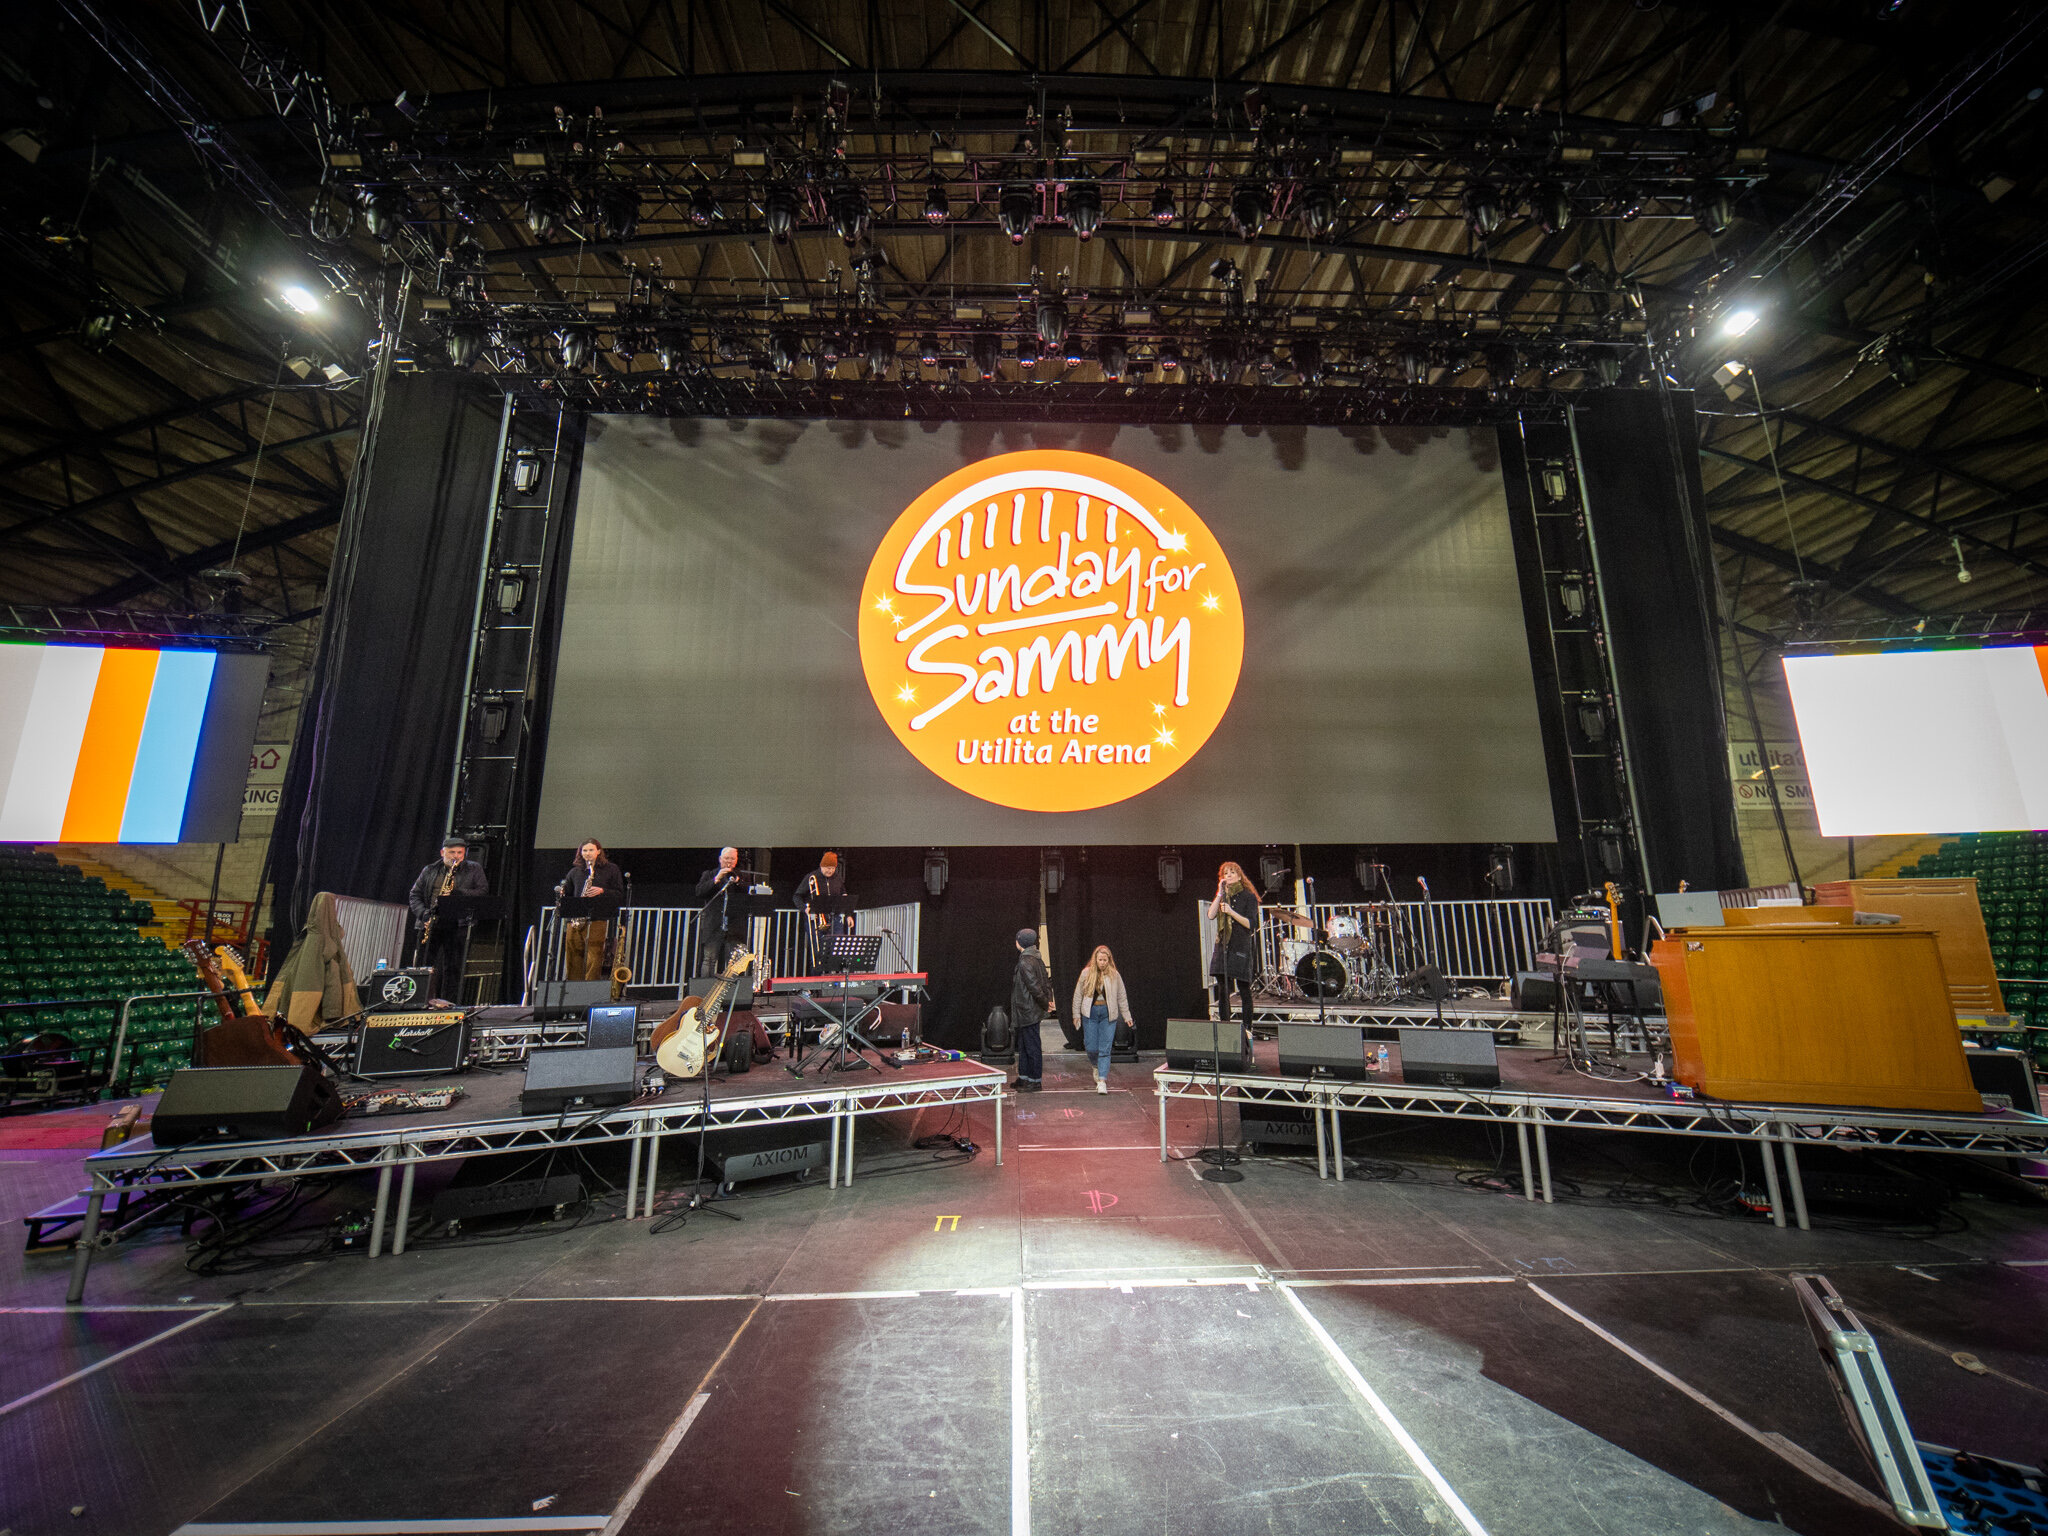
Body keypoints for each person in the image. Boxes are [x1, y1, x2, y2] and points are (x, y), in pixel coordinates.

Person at [408, 838, 488, 1005]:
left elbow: (482, 891)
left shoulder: (474, 869)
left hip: (458, 924)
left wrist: (458, 893)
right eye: (452, 852)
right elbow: (415, 895)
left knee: (453, 968)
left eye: (460, 853)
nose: (456, 856)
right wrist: (424, 915)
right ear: (442, 853)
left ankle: (449, 1003)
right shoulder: (430, 870)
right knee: (423, 965)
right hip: (431, 922)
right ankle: (421, 1001)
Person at [557, 839, 625, 982]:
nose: (587, 853)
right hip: (575, 920)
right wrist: (562, 892)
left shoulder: (611, 869)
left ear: (598, 851)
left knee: (594, 956)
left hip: (597, 918)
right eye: (585, 850)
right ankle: (573, 986)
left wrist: (602, 891)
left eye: (591, 850)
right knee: (573, 955)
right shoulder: (574, 872)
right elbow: (568, 894)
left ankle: (590, 987)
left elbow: (619, 893)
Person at [1071, 944, 1134, 1094]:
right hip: (1090, 1014)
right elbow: (1078, 995)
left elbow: (1121, 996)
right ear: (1095, 959)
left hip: (1108, 1014)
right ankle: (1095, 1066)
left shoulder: (1114, 975)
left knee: (1105, 1048)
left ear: (1109, 960)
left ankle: (1102, 1080)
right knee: (1091, 1047)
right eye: (1100, 960)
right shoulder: (1086, 973)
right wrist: (1076, 1014)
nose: (1102, 963)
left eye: (1105, 960)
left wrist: (1127, 1016)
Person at [1208, 860, 1258, 1048]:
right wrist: (1219, 894)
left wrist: (1231, 912)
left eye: (1231, 873)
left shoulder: (1248, 896)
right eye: (1225, 873)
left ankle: (1247, 1028)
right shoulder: (1223, 895)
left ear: (1239, 876)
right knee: (1223, 988)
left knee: (1244, 988)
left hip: (1240, 944)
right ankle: (1225, 1027)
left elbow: (1251, 924)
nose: (1228, 876)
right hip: (1223, 945)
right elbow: (1211, 915)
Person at [1010, 927, 1055, 1093]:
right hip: (1028, 1010)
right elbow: (1046, 982)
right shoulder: (1036, 958)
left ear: (1020, 942)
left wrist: (1045, 1003)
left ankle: (1035, 1080)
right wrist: (1048, 1000)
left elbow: (1034, 987)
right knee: (1024, 1045)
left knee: (1031, 1046)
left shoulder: (1025, 961)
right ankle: (1024, 1077)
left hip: (1028, 1011)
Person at [694, 846, 752, 975]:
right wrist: (716, 879)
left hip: (734, 925)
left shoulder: (742, 875)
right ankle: (706, 987)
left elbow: (748, 894)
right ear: (720, 859)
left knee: (735, 961)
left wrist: (738, 882)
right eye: (726, 858)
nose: (729, 861)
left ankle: (732, 987)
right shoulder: (709, 874)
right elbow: (700, 892)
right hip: (714, 924)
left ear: (736, 860)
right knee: (709, 959)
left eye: (732, 859)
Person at [796, 852, 848, 971]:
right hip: (815, 920)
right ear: (821, 866)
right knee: (817, 954)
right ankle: (816, 980)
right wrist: (804, 908)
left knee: (837, 949)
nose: (830, 871)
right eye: (828, 868)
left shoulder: (838, 878)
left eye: (833, 868)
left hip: (834, 919)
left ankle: (833, 978)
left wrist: (848, 914)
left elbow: (843, 895)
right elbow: (797, 896)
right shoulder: (811, 877)